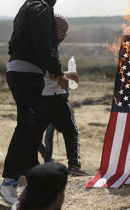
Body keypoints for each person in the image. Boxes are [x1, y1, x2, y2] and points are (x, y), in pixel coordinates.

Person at [0, 0, 69, 205]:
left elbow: (16, 42)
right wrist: (57, 71)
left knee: (28, 126)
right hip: (26, 74)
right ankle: (8, 182)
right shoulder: (40, 6)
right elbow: (42, 42)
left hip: (22, 71)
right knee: (26, 127)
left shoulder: (26, 6)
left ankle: (23, 173)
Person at [33, 13, 89, 176]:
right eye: (61, 29)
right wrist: (70, 74)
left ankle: (30, 166)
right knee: (71, 130)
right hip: (54, 96)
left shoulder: (37, 42)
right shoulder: (50, 45)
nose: (64, 34)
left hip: (38, 97)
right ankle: (74, 166)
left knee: (35, 134)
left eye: (66, 30)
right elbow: (53, 74)